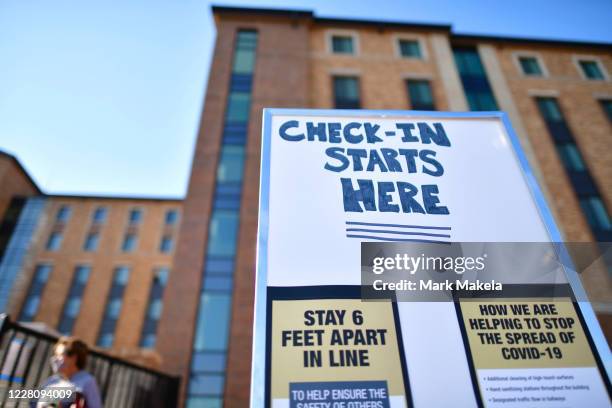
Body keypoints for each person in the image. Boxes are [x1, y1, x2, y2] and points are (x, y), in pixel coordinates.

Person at [35, 337, 103, 408]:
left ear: (74, 358)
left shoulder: (88, 382)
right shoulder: (51, 381)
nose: (55, 359)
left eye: (60, 355)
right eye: (55, 354)